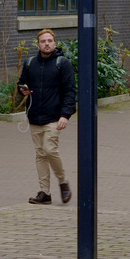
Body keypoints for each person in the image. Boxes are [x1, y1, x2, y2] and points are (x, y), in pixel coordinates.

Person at [16, 29, 76, 205]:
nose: (47, 44)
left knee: (50, 150)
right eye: (43, 41)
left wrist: (65, 115)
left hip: (54, 118)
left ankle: (63, 183)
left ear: (55, 44)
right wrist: (22, 89)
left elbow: (70, 91)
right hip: (35, 117)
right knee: (40, 154)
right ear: (38, 45)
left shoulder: (61, 63)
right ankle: (45, 193)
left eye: (50, 41)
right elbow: (21, 82)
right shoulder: (30, 63)